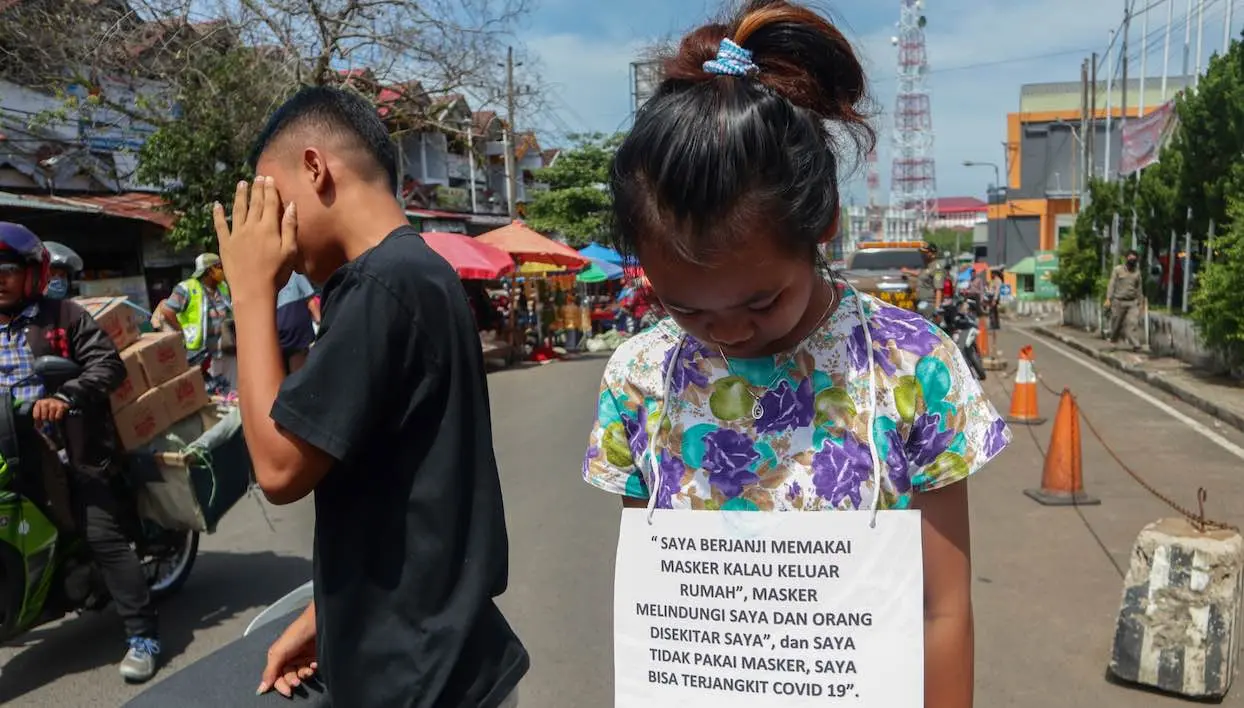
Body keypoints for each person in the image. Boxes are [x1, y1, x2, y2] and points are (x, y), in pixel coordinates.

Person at [580, 3, 1011, 706]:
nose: (726, 334)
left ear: (824, 226)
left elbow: (942, 608)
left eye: (759, 302)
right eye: (685, 308)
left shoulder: (911, 367)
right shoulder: (639, 377)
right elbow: (654, 607)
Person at [212, 86, 528, 706]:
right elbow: (413, 500)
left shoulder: (382, 284)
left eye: (270, 200)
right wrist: (325, 617)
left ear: (314, 168)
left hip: (416, 679)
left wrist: (249, 292)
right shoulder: (417, 273)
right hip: (439, 656)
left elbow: (278, 468)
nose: (267, 228)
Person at [0, 223, 161, 682]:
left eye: (7, 269)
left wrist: (66, 395)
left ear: (32, 273)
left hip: (67, 449)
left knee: (102, 535)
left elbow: (107, 364)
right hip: (5, 452)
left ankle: (142, 634)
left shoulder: (63, 316)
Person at [158, 253, 234, 388]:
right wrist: (181, 330)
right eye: (219, 266)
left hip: (224, 348)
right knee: (206, 388)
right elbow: (166, 310)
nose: (222, 270)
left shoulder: (223, 287)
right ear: (209, 270)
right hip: (200, 352)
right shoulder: (187, 288)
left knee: (227, 388)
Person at [275, 271, 317, 372]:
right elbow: (311, 302)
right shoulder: (295, 273)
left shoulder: (268, 275)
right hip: (297, 332)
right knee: (299, 372)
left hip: (276, 332)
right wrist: (320, 322)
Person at [1105, 249, 1143, 351]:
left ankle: (1136, 344)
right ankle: (1113, 341)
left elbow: (1139, 289)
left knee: (1132, 323)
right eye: (1130, 258)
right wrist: (1108, 298)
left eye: (1134, 259)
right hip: (1118, 301)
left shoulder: (1137, 273)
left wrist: (1141, 302)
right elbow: (1111, 284)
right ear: (1126, 258)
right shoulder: (1118, 270)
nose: (1132, 260)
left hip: (1132, 302)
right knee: (1116, 323)